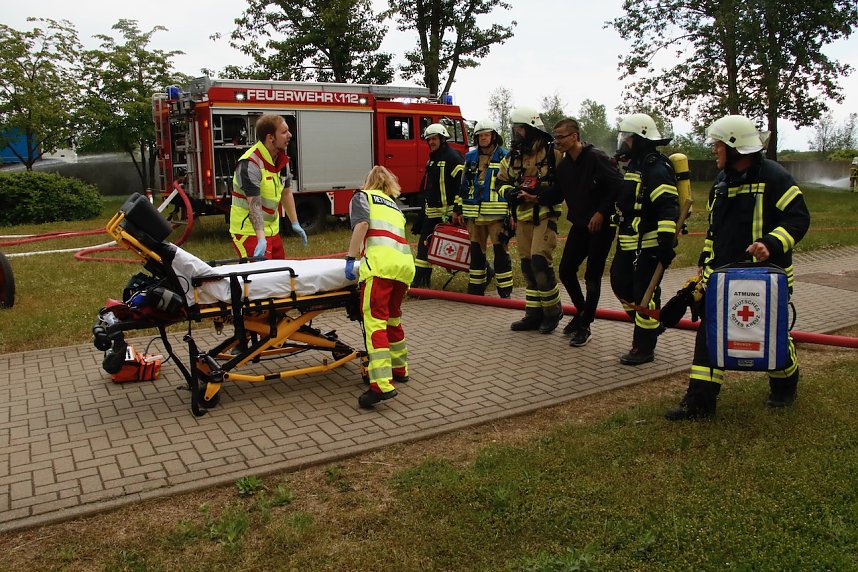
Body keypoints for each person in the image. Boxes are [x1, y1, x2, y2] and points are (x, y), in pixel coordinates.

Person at [665, 115, 810, 421]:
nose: (714, 149)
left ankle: (785, 384)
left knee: (768, 334)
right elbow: (715, 233)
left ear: (734, 147)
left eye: (718, 144)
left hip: (767, 277)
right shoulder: (722, 181)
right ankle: (700, 402)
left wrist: (770, 242)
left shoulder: (775, 177)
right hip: (723, 277)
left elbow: (798, 218)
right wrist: (705, 271)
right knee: (709, 335)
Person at [538, 118, 623, 347]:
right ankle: (583, 312)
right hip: (579, 225)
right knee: (566, 271)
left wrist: (601, 213)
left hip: (600, 227)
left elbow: (617, 185)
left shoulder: (596, 158)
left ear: (574, 136)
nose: (557, 142)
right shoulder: (564, 166)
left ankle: (585, 326)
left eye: (561, 137)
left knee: (592, 277)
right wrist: (535, 196)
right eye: (555, 138)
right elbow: (559, 192)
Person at [610, 113, 680, 365]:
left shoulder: (656, 166)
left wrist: (665, 241)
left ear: (639, 139)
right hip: (629, 240)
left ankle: (644, 346)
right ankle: (651, 325)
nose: (622, 143)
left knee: (645, 294)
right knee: (619, 284)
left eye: (626, 138)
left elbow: (668, 206)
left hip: (649, 243)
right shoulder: (636, 164)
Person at [345, 166, 416, 409]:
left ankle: (381, 384)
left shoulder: (362, 197)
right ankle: (400, 368)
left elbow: (362, 226)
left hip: (380, 269)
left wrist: (350, 258)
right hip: (404, 267)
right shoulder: (394, 205)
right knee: (393, 319)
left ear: (368, 182)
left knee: (375, 323)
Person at [499, 106, 564, 333]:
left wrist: (538, 196)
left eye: (519, 130)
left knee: (539, 260)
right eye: (514, 130)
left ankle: (553, 312)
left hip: (545, 214)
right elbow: (501, 182)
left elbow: (563, 186)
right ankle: (533, 314)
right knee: (527, 265)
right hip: (522, 217)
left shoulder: (552, 154)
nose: (516, 134)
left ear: (531, 129)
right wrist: (509, 193)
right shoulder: (513, 156)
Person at [230, 114, 308, 259]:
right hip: (249, 232)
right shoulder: (250, 164)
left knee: (280, 275)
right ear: (270, 137)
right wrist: (261, 238)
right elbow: (254, 204)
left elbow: (286, 193)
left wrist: (295, 222)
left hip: (272, 230)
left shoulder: (281, 159)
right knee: (260, 279)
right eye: (284, 132)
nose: (290, 135)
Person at [451, 119, 513, 297]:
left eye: (486, 135)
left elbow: (511, 185)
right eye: (480, 135)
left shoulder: (505, 156)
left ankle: (505, 291)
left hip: (497, 216)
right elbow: (463, 185)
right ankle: (476, 291)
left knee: (501, 254)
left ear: (494, 136)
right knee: (476, 255)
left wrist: (511, 214)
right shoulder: (470, 157)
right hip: (474, 214)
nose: (483, 138)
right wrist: (459, 208)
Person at [410, 123, 465, 288]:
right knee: (423, 248)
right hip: (432, 213)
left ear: (442, 138)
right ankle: (420, 283)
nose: (431, 142)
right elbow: (429, 188)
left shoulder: (453, 158)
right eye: (429, 139)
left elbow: (461, 186)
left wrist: (457, 209)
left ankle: (485, 271)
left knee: (459, 246)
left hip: (447, 213)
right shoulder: (433, 159)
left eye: (434, 138)